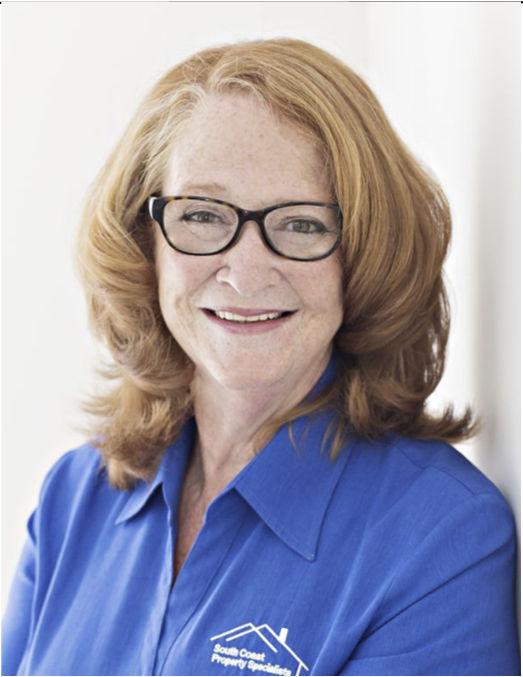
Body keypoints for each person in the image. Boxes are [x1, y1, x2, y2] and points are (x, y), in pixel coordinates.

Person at [2, 37, 519, 677]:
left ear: (364, 254)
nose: (245, 275)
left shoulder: (440, 539)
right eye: (201, 215)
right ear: (145, 241)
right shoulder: (74, 497)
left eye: (302, 224)